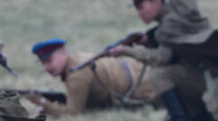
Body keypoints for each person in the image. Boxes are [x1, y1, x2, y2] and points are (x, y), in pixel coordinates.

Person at [24, 38, 156, 116]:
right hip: (133, 69)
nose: (47, 67)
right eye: (43, 63)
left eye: (49, 61)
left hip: (142, 84)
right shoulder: (76, 60)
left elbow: (73, 112)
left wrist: (43, 103)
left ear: (63, 53)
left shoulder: (77, 74)